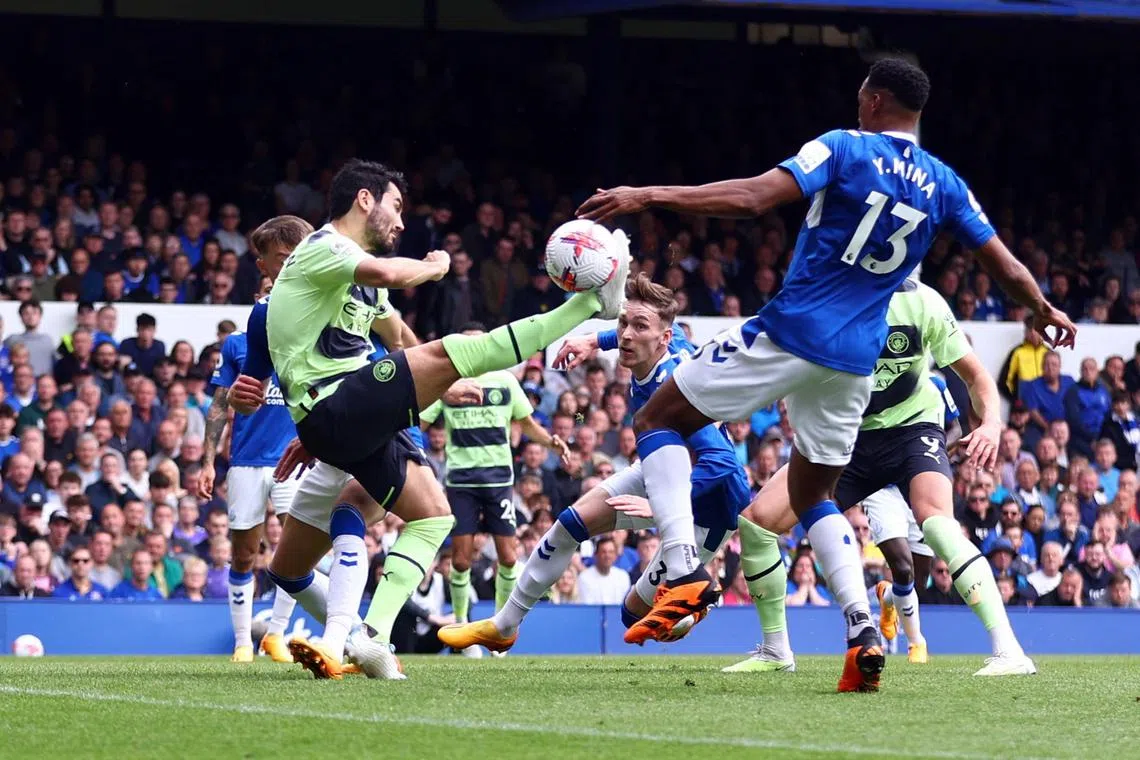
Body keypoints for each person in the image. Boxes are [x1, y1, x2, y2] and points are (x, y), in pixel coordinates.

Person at [574, 58, 1073, 691]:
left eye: (862, 94)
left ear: (874, 100)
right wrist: (1043, 309)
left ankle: (681, 568)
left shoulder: (842, 146)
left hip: (793, 330)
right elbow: (1002, 264)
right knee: (812, 496)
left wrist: (648, 196)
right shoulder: (944, 182)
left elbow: (754, 198)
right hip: (854, 365)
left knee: (656, 417)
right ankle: (863, 632)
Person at [228, 160, 627, 679]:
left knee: (426, 519)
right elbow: (392, 273)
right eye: (395, 206)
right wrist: (437, 264)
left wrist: (441, 376)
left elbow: (398, 336)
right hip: (340, 403)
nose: (400, 221)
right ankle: (589, 304)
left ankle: (366, 638)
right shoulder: (325, 247)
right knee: (461, 347)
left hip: (347, 415)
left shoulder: (358, 283)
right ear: (365, 200)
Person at [438, 276, 761, 664]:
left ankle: (700, 598)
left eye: (638, 327)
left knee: (633, 615)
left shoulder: (677, 383)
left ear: (663, 338)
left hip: (708, 506)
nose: (625, 334)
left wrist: (667, 505)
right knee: (569, 525)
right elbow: (630, 330)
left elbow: (722, 462)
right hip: (659, 471)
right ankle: (503, 627)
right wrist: (592, 340)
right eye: (624, 322)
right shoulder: (662, 344)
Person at [197, 215, 313, 664]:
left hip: (293, 459)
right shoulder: (239, 344)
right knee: (244, 555)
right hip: (245, 461)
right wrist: (208, 461)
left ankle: (276, 635)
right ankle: (244, 641)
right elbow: (220, 404)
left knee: (294, 550)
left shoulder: (308, 334)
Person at [419, 324, 571, 650]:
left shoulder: (505, 382)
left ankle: (502, 628)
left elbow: (527, 423)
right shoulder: (449, 385)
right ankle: (462, 627)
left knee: (508, 557)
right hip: (461, 483)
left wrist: (551, 442)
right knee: (460, 561)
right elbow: (421, 421)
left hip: (499, 483)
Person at [1064, 357, 1112, 459]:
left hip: (1102, 437)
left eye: (1091, 369)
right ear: (1080, 372)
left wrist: (1101, 438)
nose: (1088, 372)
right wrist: (1092, 439)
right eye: (1085, 369)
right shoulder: (1073, 392)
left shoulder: (1104, 391)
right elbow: (1074, 420)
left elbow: (1108, 415)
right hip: (1082, 438)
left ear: (1097, 371)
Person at [575, 536, 631, 604]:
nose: (607, 555)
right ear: (596, 555)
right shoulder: (584, 577)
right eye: (604, 552)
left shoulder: (623, 577)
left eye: (611, 552)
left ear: (615, 555)